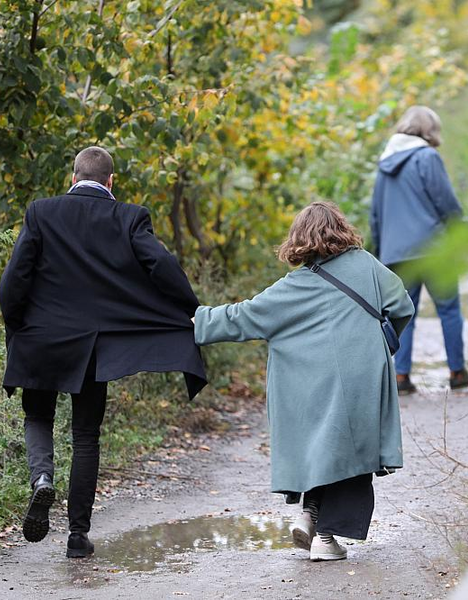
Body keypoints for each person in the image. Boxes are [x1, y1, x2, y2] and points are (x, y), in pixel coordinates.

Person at [0, 146, 206, 558]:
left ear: (72, 177)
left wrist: (16, 329)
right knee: (86, 435)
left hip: (42, 338)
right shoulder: (130, 216)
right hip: (96, 347)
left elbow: (13, 282)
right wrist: (192, 310)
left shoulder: (41, 212)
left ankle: (42, 479)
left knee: (37, 414)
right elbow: (161, 266)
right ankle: (78, 536)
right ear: (111, 182)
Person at [192, 201, 414, 562]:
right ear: (341, 228)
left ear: (299, 238)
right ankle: (323, 535)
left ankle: (309, 516)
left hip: (311, 383)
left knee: (323, 446)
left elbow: (243, 317)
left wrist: (193, 322)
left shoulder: (295, 285)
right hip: (362, 377)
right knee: (347, 452)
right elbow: (402, 305)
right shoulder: (367, 264)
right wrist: (380, 343)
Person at [370, 105, 468, 395]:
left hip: (397, 254)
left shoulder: (385, 163)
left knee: (402, 314)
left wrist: (382, 250)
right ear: (429, 130)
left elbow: (376, 214)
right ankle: (457, 371)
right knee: (448, 309)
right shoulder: (427, 157)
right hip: (433, 249)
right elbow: (445, 202)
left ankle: (401, 376)